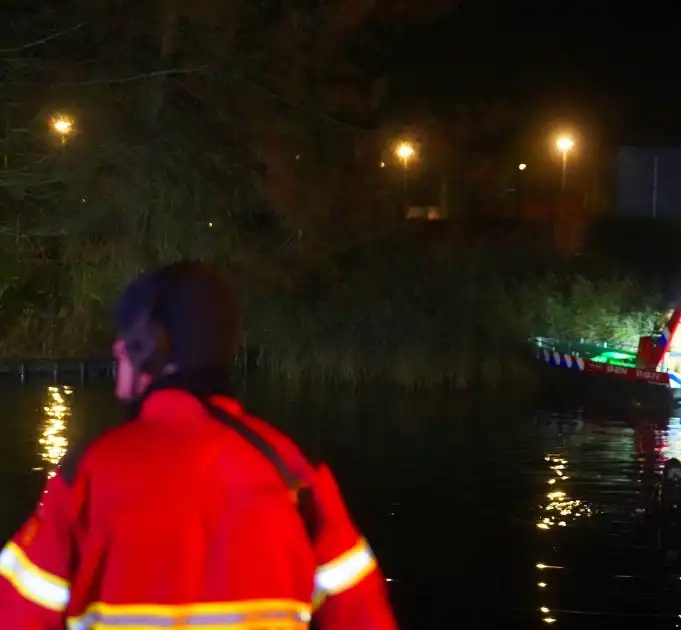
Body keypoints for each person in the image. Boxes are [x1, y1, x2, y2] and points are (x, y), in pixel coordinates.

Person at [0, 261, 398, 629]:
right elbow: (365, 616)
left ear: (154, 346)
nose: (117, 349)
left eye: (129, 337)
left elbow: (15, 615)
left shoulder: (88, 473)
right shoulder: (293, 469)